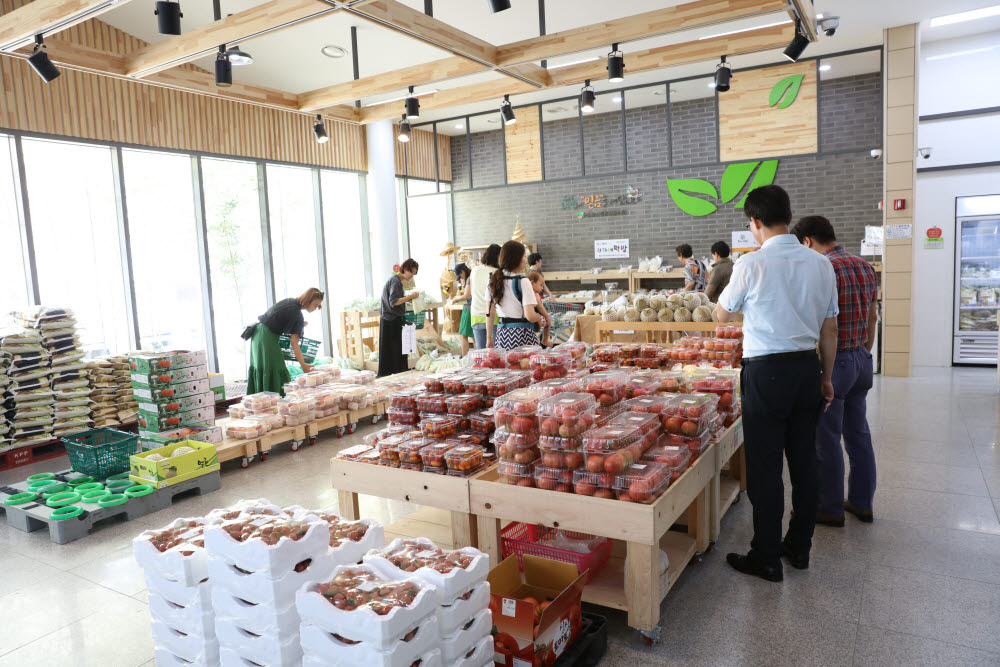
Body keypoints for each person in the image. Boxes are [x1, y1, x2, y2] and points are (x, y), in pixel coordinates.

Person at [715, 185, 839, 583]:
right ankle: (799, 547)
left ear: (754, 223)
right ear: (788, 216)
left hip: (766, 372)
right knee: (805, 461)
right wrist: (826, 377)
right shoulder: (821, 264)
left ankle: (766, 556)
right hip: (807, 369)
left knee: (765, 468)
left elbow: (722, 316)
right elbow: (830, 329)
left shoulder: (751, 265)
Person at [792, 215, 879, 526]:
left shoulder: (823, 268)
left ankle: (828, 507)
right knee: (858, 434)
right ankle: (862, 502)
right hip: (861, 359)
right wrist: (863, 351)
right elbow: (872, 316)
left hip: (836, 362)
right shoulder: (865, 266)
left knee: (826, 438)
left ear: (807, 242)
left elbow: (823, 325)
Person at [245, 288, 324, 395]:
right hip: (266, 338)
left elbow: (278, 319)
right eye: (315, 305)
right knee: (276, 368)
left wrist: (300, 325)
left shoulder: (290, 302)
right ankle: (278, 402)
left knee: (263, 369)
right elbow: (294, 343)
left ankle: (262, 402)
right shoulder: (297, 315)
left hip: (258, 333)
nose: (315, 308)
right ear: (307, 300)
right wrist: (303, 364)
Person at [486, 241, 542, 349]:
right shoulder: (523, 281)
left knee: (505, 364)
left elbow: (489, 313)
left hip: (501, 335)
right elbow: (530, 316)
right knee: (524, 365)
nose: (525, 260)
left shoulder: (492, 281)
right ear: (518, 259)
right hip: (523, 336)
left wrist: (489, 338)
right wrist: (539, 317)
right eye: (524, 256)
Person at [378, 259, 419, 377]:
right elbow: (393, 302)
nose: (411, 276)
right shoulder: (395, 282)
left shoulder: (396, 281)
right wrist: (410, 296)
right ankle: (396, 374)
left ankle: (394, 374)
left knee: (393, 350)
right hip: (391, 320)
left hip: (390, 319)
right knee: (395, 351)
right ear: (405, 269)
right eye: (411, 273)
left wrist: (409, 298)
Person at [469, 244, 501, 349]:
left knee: (481, 352)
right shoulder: (497, 273)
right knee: (494, 352)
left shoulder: (474, 270)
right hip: (493, 315)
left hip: (475, 313)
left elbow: (472, 290)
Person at [448, 262, 474, 356]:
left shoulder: (469, 279)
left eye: (460, 275)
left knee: (463, 336)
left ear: (463, 271)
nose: (461, 278)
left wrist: (455, 299)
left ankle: (465, 359)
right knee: (474, 336)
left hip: (468, 309)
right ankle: (477, 359)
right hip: (474, 309)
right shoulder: (473, 277)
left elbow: (466, 296)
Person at [527, 270, 554, 347]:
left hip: (528, 319)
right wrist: (547, 316)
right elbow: (540, 308)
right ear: (532, 283)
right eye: (541, 285)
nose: (542, 288)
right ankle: (545, 340)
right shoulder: (535, 295)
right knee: (548, 322)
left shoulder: (525, 292)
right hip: (534, 319)